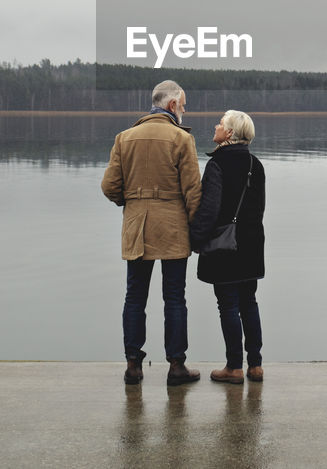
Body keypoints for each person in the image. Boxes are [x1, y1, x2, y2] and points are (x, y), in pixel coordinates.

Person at [101, 79, 203, 386]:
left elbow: (109, 186)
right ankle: (176, 366)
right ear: (171, 105)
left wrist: (130, 203)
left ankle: (133, 365)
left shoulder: (125, 137)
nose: (184, 111)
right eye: (183, 105)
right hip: (173, 226)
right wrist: (197, 229)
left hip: (137, 227)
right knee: (174, 298)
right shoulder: (181, 139)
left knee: (135, 297)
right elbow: (193, 191)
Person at [190, 109, 266, 385]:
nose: (216, 126)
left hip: (224, 246)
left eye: (221, 123)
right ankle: (255, 365)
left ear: (230, 133)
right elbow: (259, 208)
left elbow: (209, 210)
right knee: (249, 302)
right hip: (252, 244)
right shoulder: (256, 165)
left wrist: (195, 239)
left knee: (228, 305)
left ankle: (234, 367)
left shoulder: (218, 164)